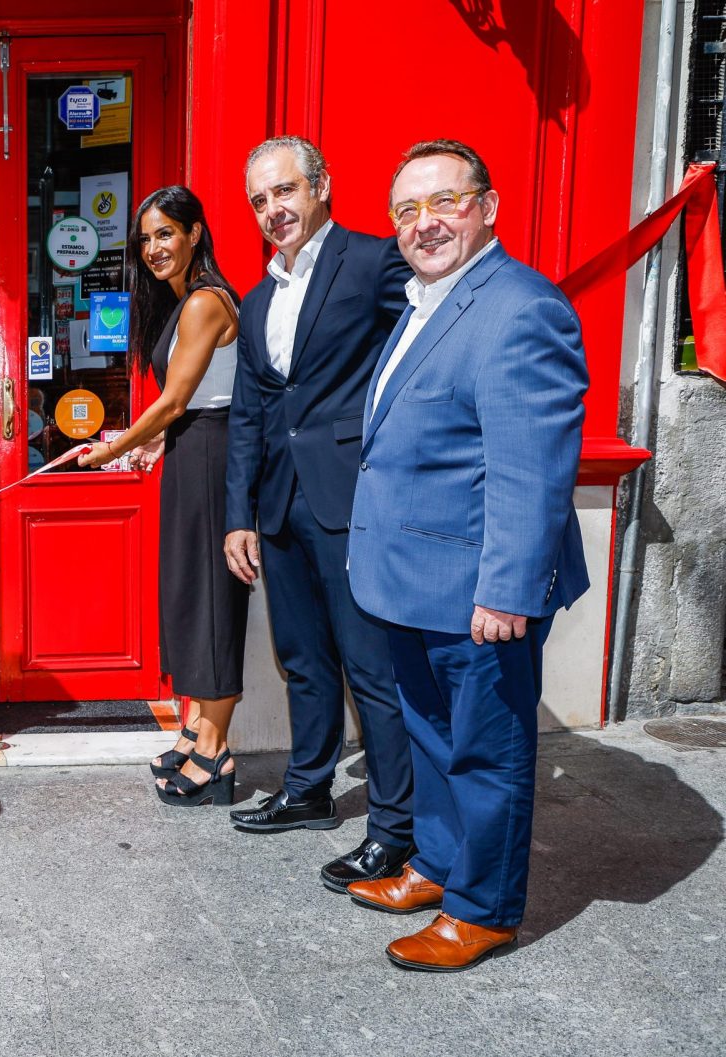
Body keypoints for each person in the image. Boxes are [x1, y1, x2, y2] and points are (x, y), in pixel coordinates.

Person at [345, 140, 588, 971]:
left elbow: (533, 467)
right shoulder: (425, 301)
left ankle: (482, 908)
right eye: (407, 210)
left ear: (487, 205)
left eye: (444, 202)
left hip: (479, 589)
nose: (425, 223)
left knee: (487, 751)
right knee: (433, 737)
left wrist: (510, 590)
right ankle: (439, 865)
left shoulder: (521, 307)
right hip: (415, 582)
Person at [221, 136, 418, 893]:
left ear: (322, 186)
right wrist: (241, 513)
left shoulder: (372, 263)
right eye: (261, 201)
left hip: (353, 498)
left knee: (371, 670)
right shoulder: (258, 298)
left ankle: (394, 830)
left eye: (285, 191)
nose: (274, 210)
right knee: (303, 660)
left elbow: (425, 350)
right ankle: (307, 789)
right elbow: (249, 415)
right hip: (279, 507)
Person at [77, 186, 247, 805]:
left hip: (212, 455)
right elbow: (183, 406)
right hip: (191, 448)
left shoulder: (205, 302)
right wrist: (154, 443)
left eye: (166, 234)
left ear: (195, 233)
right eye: (145, 238)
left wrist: (115, 448)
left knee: (210, 600)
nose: (153, 248)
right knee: (187, 593)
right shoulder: (179, 303)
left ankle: (217, 749)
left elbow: (177, 400)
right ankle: (198, 726)